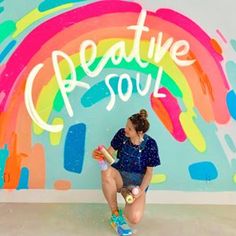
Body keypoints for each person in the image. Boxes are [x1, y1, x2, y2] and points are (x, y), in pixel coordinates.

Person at [92, 109, 161, 236]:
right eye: (126, 126)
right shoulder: (122, 135)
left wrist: (141, 190)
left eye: (129, 129)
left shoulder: (150, 145)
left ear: (139, 132)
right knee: (106, 172)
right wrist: (99, 155)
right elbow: (109, 155)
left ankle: (126, 193)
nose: (125, 130)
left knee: (134, 219)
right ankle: (115, 214)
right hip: (119, 176)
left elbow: (149, 173)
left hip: (137, 184)